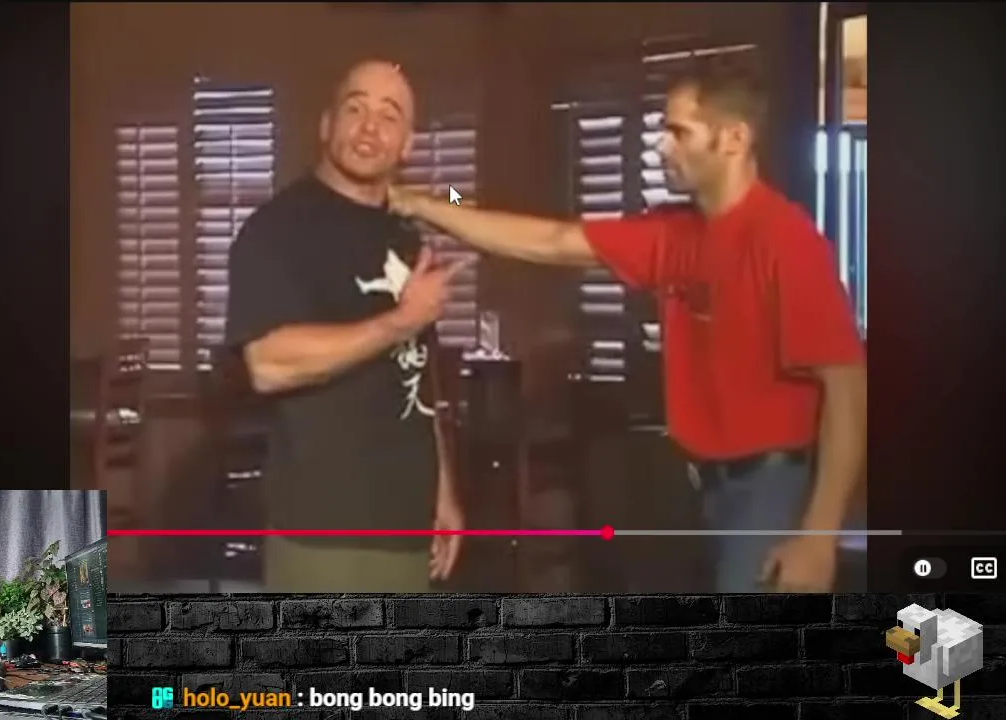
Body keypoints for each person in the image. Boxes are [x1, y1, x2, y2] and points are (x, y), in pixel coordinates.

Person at [388, 57, 866, 593]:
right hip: (694, 482)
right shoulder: (673, 233)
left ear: (734, 139)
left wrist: (819, 536)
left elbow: (848, 392)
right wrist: (419, 204)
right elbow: (553, 241)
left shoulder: (787, 242)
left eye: (679, 132)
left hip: (769, 489)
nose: (662, 147)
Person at [224, 59, 469, 592]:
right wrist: (401, 319)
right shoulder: (276, 229)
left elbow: (419, 376)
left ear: (407, 145)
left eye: (389, 115)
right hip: (325, 530)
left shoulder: (407, 234)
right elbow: (268, 365)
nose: (369, 127)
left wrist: (442, 491)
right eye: (355, 109)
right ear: (326, 125)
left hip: (408, 525)